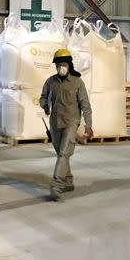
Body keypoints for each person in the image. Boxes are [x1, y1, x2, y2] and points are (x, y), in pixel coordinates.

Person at [40, 49, 93, 202]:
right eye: (57, 65)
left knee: (64, 153)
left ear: (69, 65)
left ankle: (57, 185)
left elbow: (85, 105)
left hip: (71, 123)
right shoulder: (51, 82)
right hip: (55, 123)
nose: (60, 68)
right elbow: (43, 97)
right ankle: (68, 181)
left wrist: (88, 126)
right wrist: (45, 106)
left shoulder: (78, 82)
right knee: (61, 154)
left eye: (62, 64)